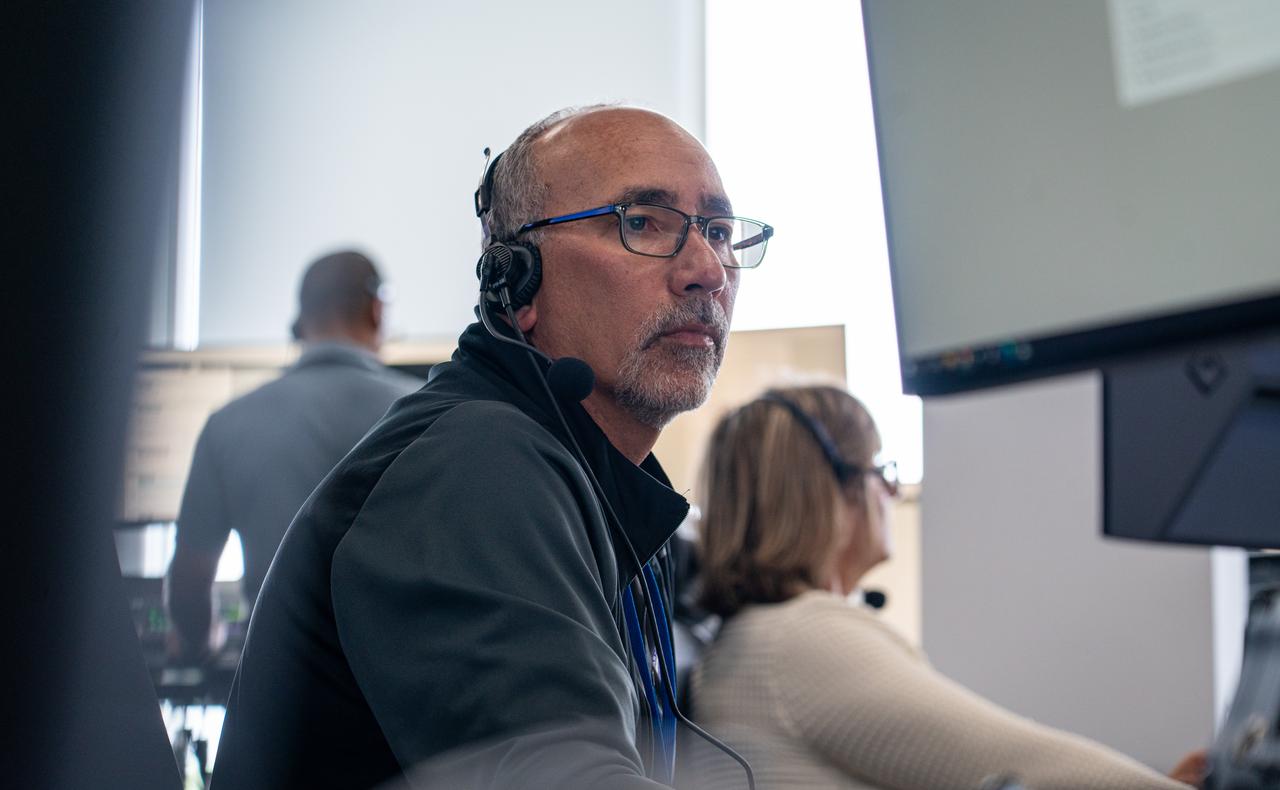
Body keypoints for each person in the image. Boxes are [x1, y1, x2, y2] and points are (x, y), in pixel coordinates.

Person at [209, 105, 772, 789]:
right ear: (519, 284)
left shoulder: (580, 478)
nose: (707, 269)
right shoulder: (473, 466)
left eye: (717, 231)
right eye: (642, 223)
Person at [687, 385, 1207, 790]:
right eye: (882, 470)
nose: (891, 491)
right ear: (831, 491)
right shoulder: (798, 640)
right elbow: (1022, 769)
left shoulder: (756, 641)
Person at [166, 250, 422, 662]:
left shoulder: (227, 424)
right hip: (394, 693)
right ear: (377, 311)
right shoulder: (425, 416)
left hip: (275, 691)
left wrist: (203, 641)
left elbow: (188, 586)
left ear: (300, 323)